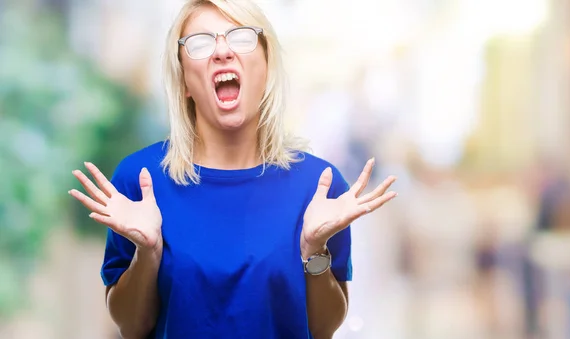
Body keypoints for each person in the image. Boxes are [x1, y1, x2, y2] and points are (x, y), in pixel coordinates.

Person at [68, 1, 397, 338]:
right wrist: (147, 253)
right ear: (183, 82)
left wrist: (315, 250)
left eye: (240, 37)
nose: (222, 51)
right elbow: (131, 327)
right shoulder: (140, 180)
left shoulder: (320, 187)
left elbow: (322, 329)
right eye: (200, 43)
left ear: (266, 66)